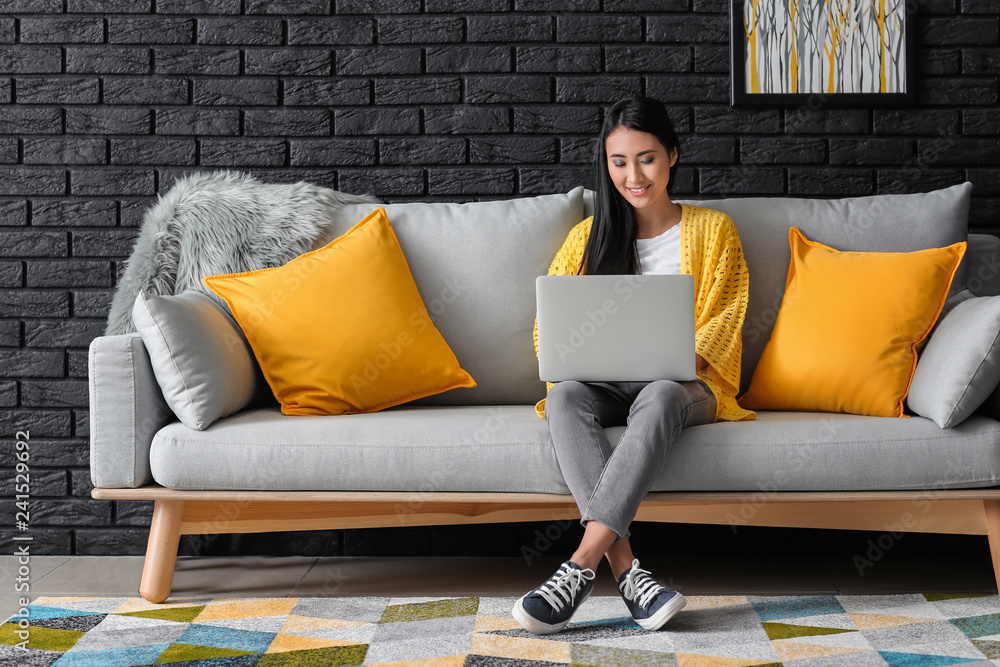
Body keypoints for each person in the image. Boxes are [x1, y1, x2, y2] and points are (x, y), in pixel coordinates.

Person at [513, 95, 756, 635]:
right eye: (618, 162)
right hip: (603, 384)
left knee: (664, 392)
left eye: (646, 158)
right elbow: (547, 329)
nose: (633, 175)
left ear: (672, 155)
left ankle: (578, 566)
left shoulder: (714, 231)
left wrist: (673, 356)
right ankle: (626, 572)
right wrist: (573, 357)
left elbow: (725, 319)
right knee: (565, 395)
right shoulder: (587, 237)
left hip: (683, 383)